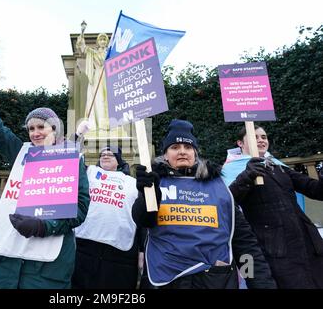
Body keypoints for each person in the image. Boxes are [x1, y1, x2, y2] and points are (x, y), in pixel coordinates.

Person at [0, 46, 90, 289]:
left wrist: (44, 226)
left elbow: (80, 208)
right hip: (3, 260)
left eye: (41, 127)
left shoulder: (71, 158)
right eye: (31, 129)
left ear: (55, 129)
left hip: (48, 266)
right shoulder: (21, 150)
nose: (35, 133)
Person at [132, 119, 277, 289]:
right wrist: (148, 193)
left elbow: (244, 244)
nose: (182, 152)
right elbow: (143, 220)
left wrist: (259, 283)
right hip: (166, 281)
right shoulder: (155, 184)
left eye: (188, 147)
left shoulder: (218, 187)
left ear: (196, 153)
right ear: (165, 154)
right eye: (174, 147)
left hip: (216, 280)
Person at [224, 124, 323, 288]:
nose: (261, 140)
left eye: (264, 137)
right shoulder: (231, 170)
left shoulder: (278, 166)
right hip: (275, 250)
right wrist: (247, 176)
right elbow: (227, 202)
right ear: (240, 143)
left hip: (308, 244)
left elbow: (315, 190)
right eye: (254, 137)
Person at [72, 145, 144, 289]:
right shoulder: (89, 173)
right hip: (85, 246)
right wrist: (77, 137)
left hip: (118, 254)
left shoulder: (133, 183)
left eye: (110, 155)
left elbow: (141, 218)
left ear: (119, 161)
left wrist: (141, 249)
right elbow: (71, 161)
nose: (105, 156)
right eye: (102, 154)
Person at [76, 33, 109, 131]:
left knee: (108, 100)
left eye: (104, 40)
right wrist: (82, 33)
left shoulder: (110, 52)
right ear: (98, 42)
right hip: (98, 78)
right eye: (101, 40)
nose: (103, 41)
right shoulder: (93, 53)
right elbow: (83, 47)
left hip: (109, 77)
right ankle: (99, 124)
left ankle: (108, 124)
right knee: (98, 100)